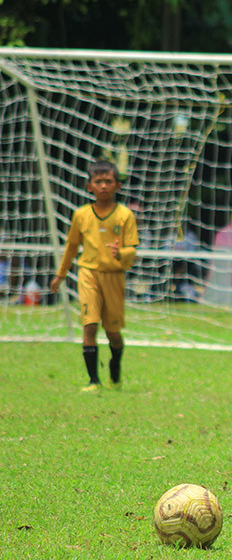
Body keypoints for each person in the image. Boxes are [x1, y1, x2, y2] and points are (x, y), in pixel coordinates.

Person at [50, 160, 138, 393]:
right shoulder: (81, 215)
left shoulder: (125, 215)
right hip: (88, 274)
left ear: (118, 185)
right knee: (89, 325)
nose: (103, 186)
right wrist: (60, 274)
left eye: (108, 181)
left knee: (113, 333)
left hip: (114, 276)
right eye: (98, 182)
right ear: (89, 186)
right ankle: (93, 381)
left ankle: (115, 366)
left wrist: (121, 253)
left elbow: (132, 250)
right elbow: (71, 247)